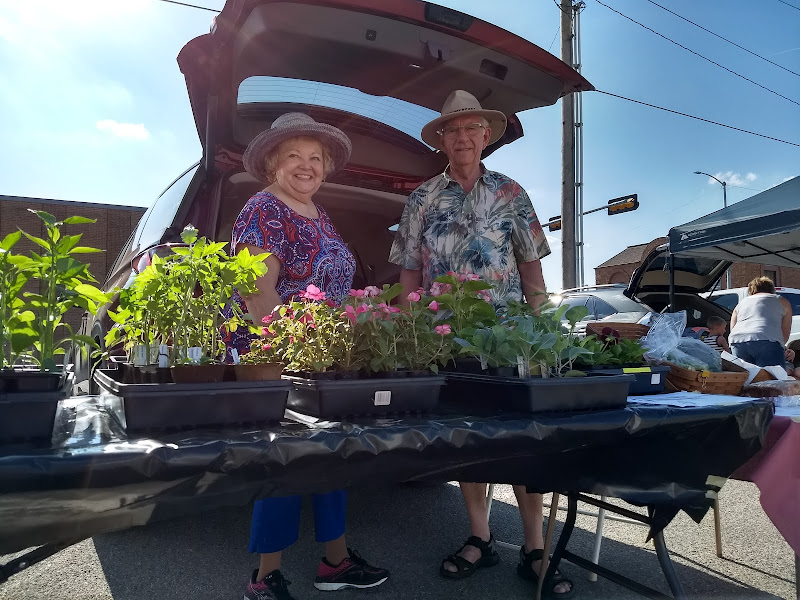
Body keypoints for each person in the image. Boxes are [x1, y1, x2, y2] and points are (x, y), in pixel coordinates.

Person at [388, 90, 572, 597]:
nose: (462, 136)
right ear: (442, 139)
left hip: (510, 338)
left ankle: (534, 546)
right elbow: (408, 272)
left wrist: (545, 333)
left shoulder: (511, 193)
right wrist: (411, 332)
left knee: (519, 439)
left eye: (472, 128)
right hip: (450, 340)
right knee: (468, 438)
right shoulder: (422, 198)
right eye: (453, 129)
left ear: (487, 136)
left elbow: (532, 266)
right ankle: (480, 536)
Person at [225, 112, 389, 600]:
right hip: (276, 355)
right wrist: (299, 350)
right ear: (274, 163)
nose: (306, 165)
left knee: (330, 454)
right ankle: (264, 575)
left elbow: (334, 287)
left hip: (321, 355)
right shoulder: (262, 210)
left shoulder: (320, 213)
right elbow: (257, 297)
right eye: (294, 155)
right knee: (285, 460)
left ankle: (335, 561)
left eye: (315, 158)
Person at [729, 277, 794, 375]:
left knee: (745, 380)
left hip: (738, 341)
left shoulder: (741, 304)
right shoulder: (782, 301)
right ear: (772, 289)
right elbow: (785, 332)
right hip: (767, 341)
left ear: (751, 290)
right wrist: (781, 349)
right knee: (773, 381)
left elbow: (733, 328)